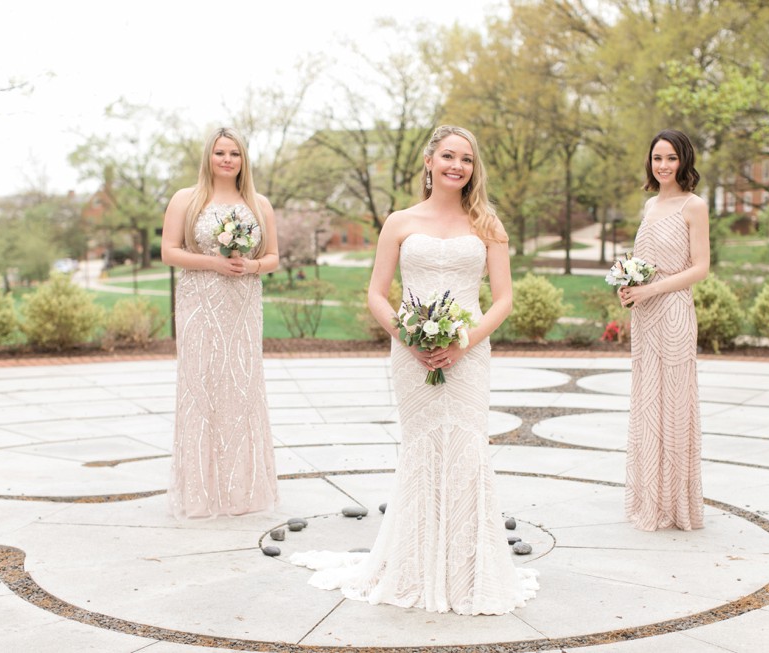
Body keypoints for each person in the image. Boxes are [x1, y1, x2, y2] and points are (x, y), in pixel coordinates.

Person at [290, 125, 538, 615]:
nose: (457, 165)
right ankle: (413, 567)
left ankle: (470, 574)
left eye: (466, 159)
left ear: (473, 168)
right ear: (429, 161)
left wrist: (463, 342)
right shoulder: (399, 222)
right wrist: (408, 337)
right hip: (411, 355)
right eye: (448, 155)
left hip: (469, 355)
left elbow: (504, 299)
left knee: (467, 450)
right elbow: (376, 294)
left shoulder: (488, 223)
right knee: (422, 450)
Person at [160, 126, 280, 518]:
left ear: (243, 160)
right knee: (201, 387)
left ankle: (241, 493)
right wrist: (214, 262)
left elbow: (274, 257)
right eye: (220, 153)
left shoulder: (258, 203)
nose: (227, 159)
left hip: (243, 302)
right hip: (199, 301)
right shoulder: (187, 199)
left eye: (235, 153)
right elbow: (169, 251)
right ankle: (199, 493)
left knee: (241, 388)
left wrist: (252, 265)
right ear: (208, 158)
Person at [619, 128, 709, 531]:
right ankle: (650, 499)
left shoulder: (695, 206)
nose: (663, 166)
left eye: (671, 158)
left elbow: (700, 268)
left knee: (673, 402)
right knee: (648, 401)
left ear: (684, 161)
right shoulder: (650, 205)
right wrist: (629, 287)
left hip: (673, 311)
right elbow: (645, 260)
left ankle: (676, 504)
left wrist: (654, 288)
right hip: (645, 315)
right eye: (657, 158)